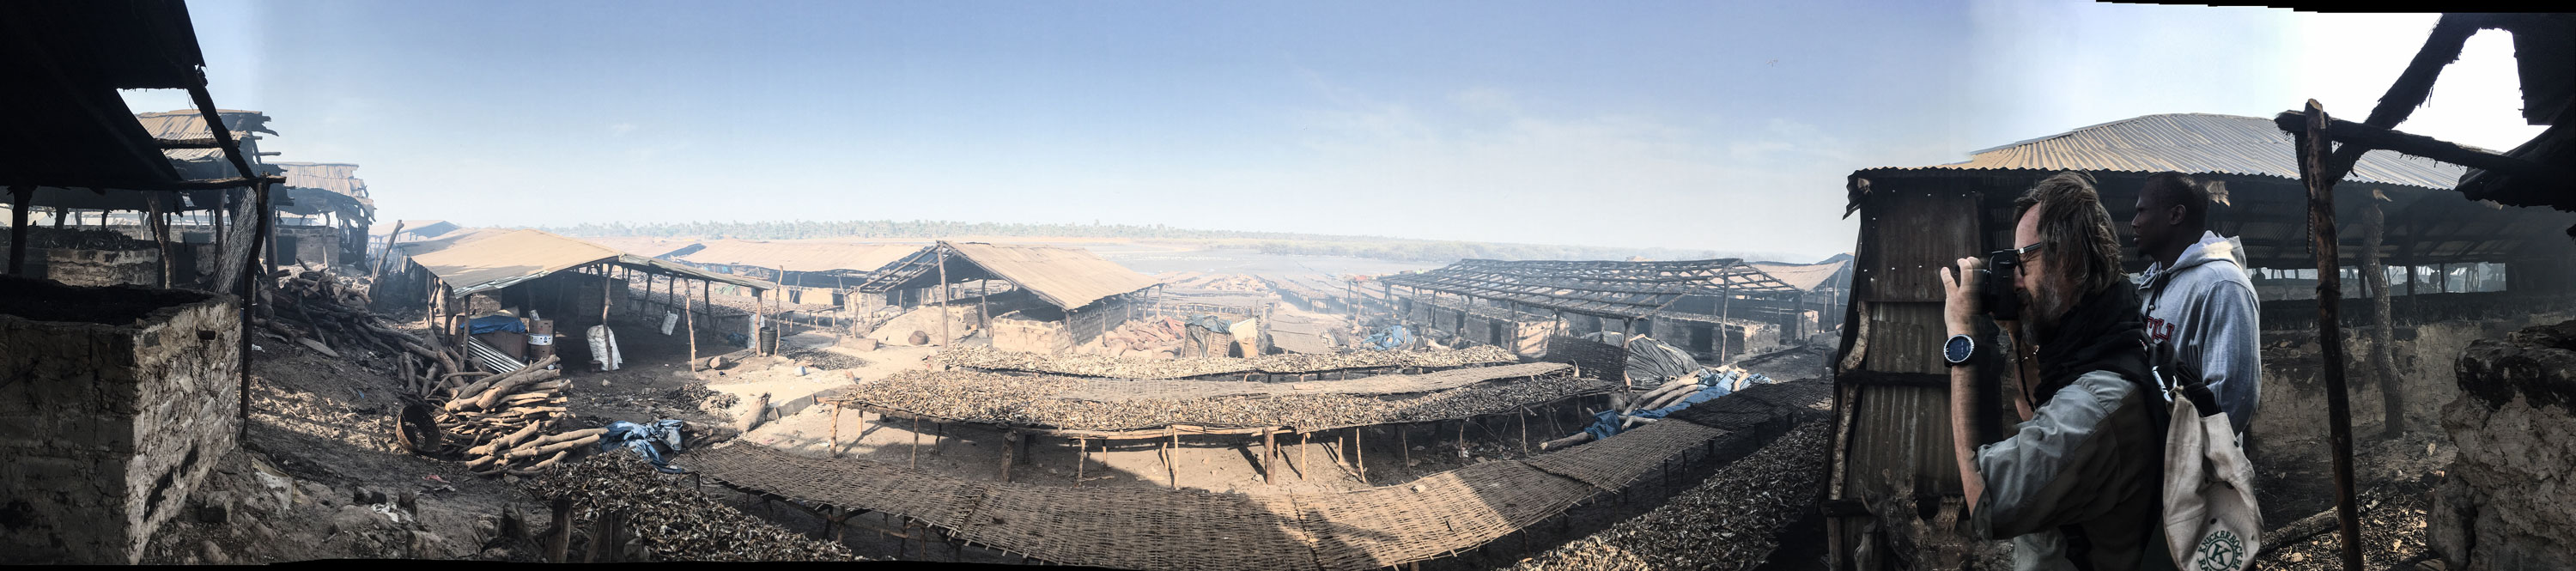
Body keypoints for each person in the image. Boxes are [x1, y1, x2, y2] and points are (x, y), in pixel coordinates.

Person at [1939, 172, 2170, 570]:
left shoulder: (2097, 405)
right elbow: (2037, 412)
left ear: (2069, 256)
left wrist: (1961, 337)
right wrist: (2016, 334)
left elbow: (1987, 503)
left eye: (2022, 259)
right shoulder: (2109, 342)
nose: (2012, 276)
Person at [2130, 171, 2262, 437]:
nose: (2134, 222)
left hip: (2196, 466)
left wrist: (2190, 458)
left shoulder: (2222, 285)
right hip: (2157, 455)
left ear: (2176, 215)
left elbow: (2231, 402)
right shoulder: (2157, 280)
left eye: (2142, 211)